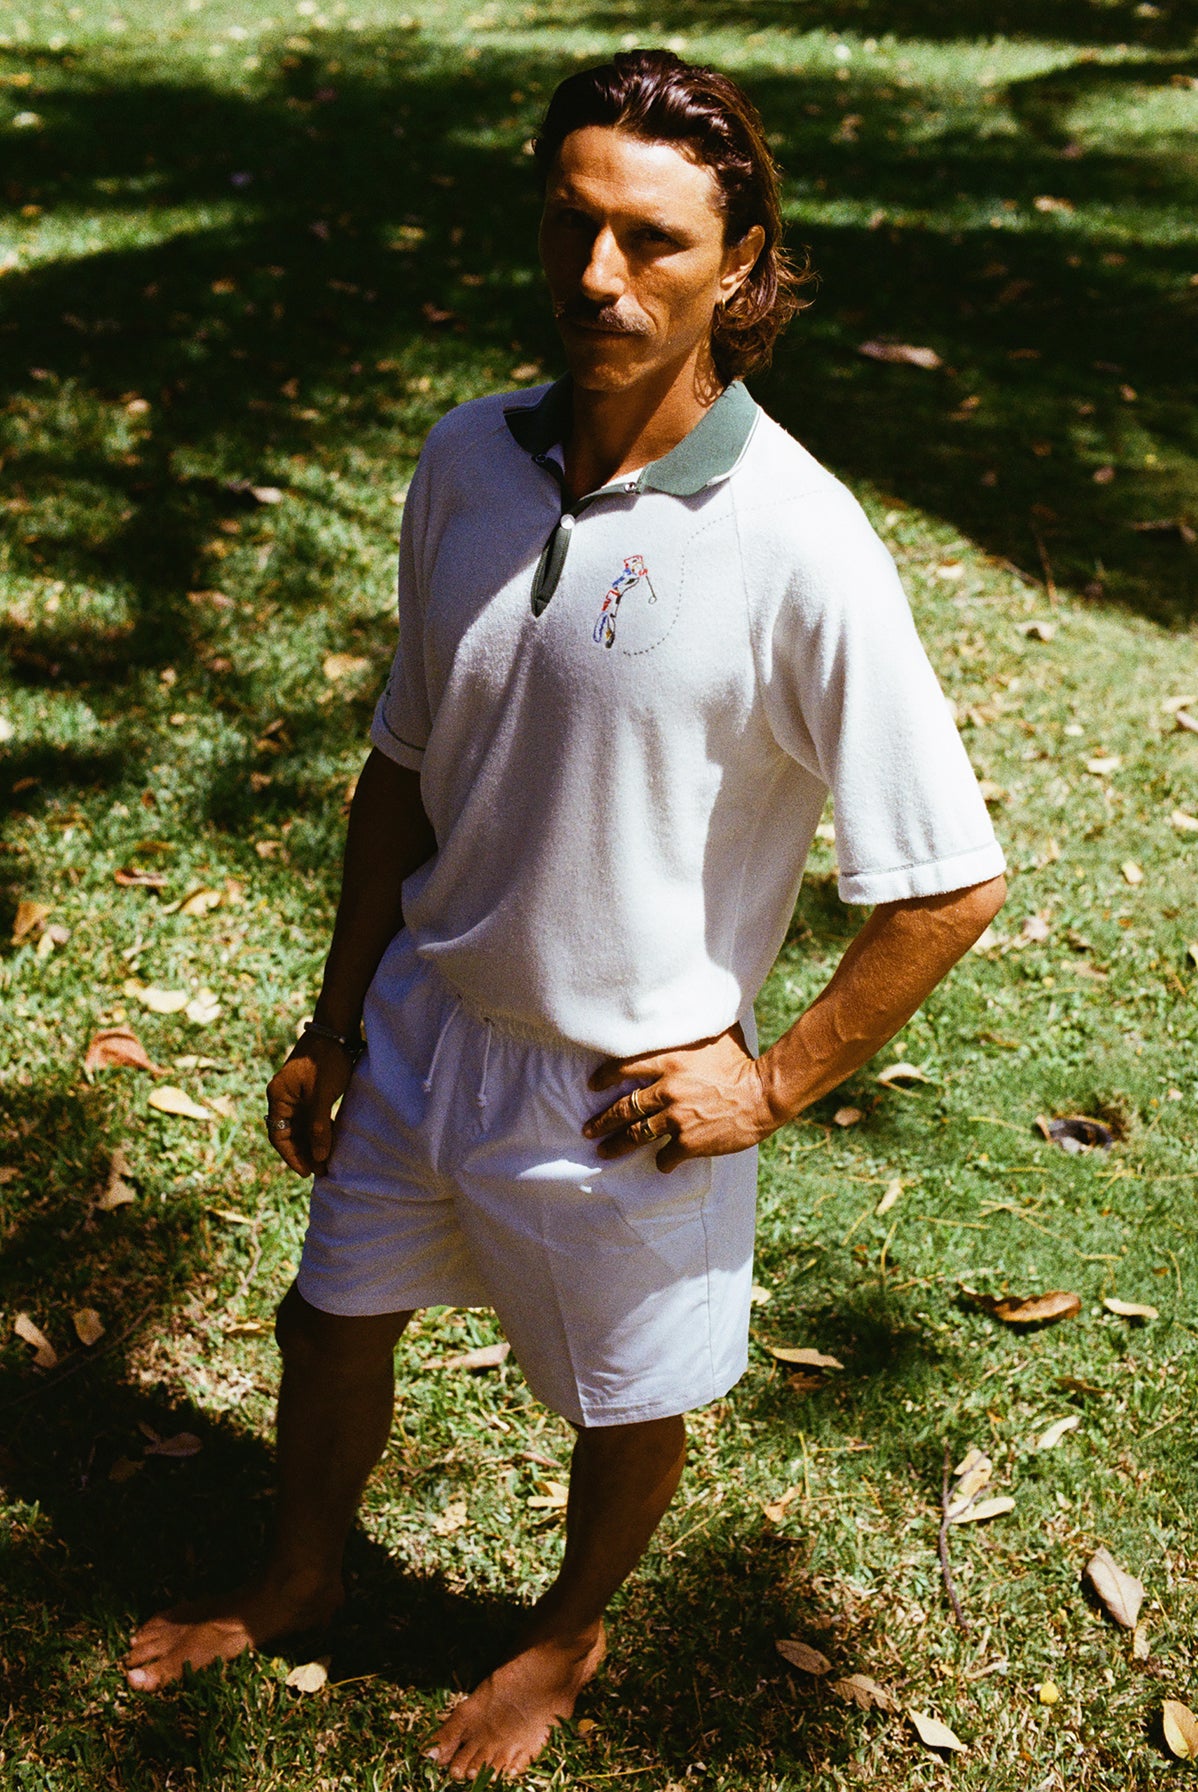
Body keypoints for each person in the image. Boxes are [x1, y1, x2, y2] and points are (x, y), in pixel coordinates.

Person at [125, 49, 1006, 1780]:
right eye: (570, 224)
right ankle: (301, 1571)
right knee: (326, 1318)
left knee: (629, 1398)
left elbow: (948, 880)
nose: (599, 276)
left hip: (623, 1089)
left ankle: (562, 1633)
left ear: (740, 266)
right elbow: (401, 767)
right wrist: (333, 1018)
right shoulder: (468, 455)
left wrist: (771, 1082)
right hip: (425, 1021)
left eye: (654, 241)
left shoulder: (801, 540)